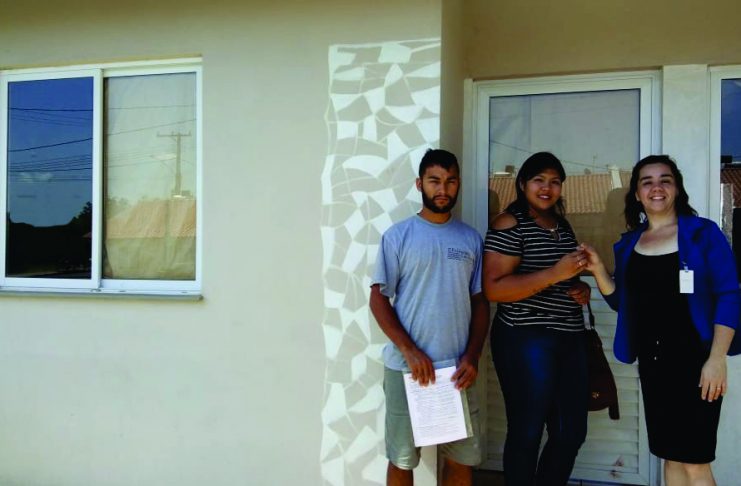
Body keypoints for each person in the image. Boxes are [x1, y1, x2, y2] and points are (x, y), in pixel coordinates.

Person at [583, 155, 740, 485]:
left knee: (695, 462)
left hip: (697, 362)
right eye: (647, 182)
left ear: (677, 189)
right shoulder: (629, 244)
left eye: (665, 180)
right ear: (637, 194)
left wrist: (717, 359)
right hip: (654, 364)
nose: (656, 187)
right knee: (670, 456)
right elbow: (623, 303)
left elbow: (729, 294)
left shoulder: (703, 234)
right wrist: (598, 269)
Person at [370, 149, 489, 486]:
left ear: (458, 184)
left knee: (461, 460)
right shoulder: (399, 236)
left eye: (451, 181)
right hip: (407, 369)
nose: (443, 189)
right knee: (402, 459)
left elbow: (480, 302)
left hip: (457, 371)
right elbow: (378, 299)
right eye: (435, 181)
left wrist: (473, 356)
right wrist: (409, 351)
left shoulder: (470, 239)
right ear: (419, 184)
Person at [483, 151, 590, 485]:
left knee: (571, 431)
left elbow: (564, 277)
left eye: (555, 182)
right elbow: (494, 288)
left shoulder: (561, 224)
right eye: (539, 180)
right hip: (524, 338)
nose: (547, 188)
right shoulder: (508, 223)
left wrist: (580, 288)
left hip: (569, 336)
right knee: (527, 430)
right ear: (522, 184)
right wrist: (555, 274)